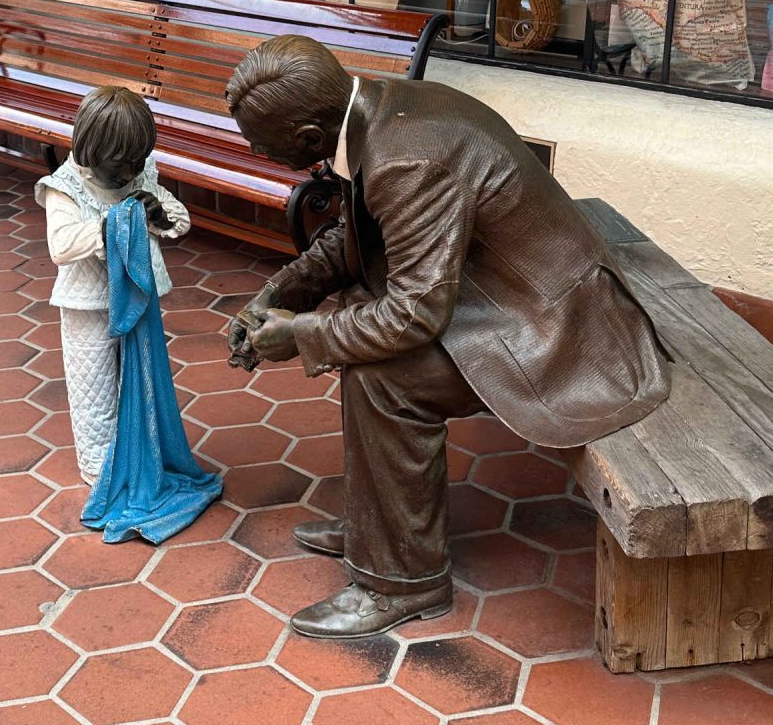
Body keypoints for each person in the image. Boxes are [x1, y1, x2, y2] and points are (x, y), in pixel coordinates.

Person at [225, 35, 670, 639]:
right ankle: (378, 524)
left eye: (260, 143)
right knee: (361, 340)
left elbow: (414, 316)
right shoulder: (375, 112)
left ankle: (404, 582)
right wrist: (282, 294)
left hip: (558, 331)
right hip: (505, 297)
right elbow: (359, 234)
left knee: (386, 377)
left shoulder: (406, 158)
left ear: (307, 139)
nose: (254, 150)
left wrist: (302, 334)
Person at [35, 86, 190, 486]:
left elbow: (180, 219)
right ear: (90, 150)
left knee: (141, 382)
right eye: (121, 164)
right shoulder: (65, 186)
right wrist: (111, 225)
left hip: (138, 299)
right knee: (95, 392)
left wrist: (157, 214)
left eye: (138, 162)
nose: (129, 174)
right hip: (89, 306)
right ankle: (101, 472)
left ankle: (143, 457)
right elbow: (61, 245)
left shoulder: (140, 173)